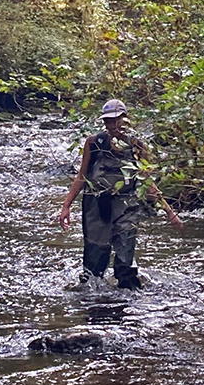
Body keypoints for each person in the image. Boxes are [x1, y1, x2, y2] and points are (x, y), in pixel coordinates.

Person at [58, 98, 184, 290]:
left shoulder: (137, 146)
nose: (112, 125)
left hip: (127, 206)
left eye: (116, 120)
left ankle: (128, 300)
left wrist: (169, 211)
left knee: (125, 256)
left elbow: (147, 181)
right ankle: (94, 301)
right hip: (96, 205)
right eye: (108, 121)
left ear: (126, 120)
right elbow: (82, 176)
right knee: (95, 258)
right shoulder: (94, 143)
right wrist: (66, 206)